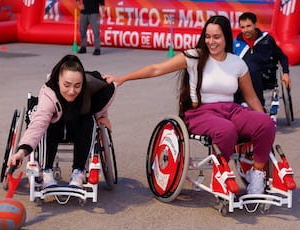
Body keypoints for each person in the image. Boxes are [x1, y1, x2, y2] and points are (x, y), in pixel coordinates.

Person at [105, 16, 276, 195]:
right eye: (208, 36)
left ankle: (256, 176)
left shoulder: (237, 63)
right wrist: (122, 78)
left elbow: (251, 98)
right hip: (202, 113)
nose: (211, 41)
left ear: (226, 37)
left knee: (265, 123)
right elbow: (156, 69)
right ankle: (222, 173)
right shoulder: (194, 56)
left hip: (231, 109)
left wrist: (264, 124)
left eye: (216, 37)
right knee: (226, 130)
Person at [9, 54, 116, 188]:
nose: (72, 91)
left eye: (77, 86)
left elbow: (109, 92)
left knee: (88, 120)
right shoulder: (49, 95)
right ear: (58, 80)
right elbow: (38, 125)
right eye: (67, 85)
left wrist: (102, 115)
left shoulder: (89, 88)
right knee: (49, 123)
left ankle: (78, 171)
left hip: (79, 129)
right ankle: (46, 170)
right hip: (53, 128)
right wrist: (21, 152)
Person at [233, 12, 292, 106]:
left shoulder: (266, 40)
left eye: (248, 26)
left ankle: (258, 105)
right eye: (242, 27)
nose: (245, 30)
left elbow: (282, 56)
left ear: (255, 25)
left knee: (252, 68)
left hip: (265, 75)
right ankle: (237, 105)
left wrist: (285, 73)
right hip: (243, 77)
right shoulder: (236, 44)